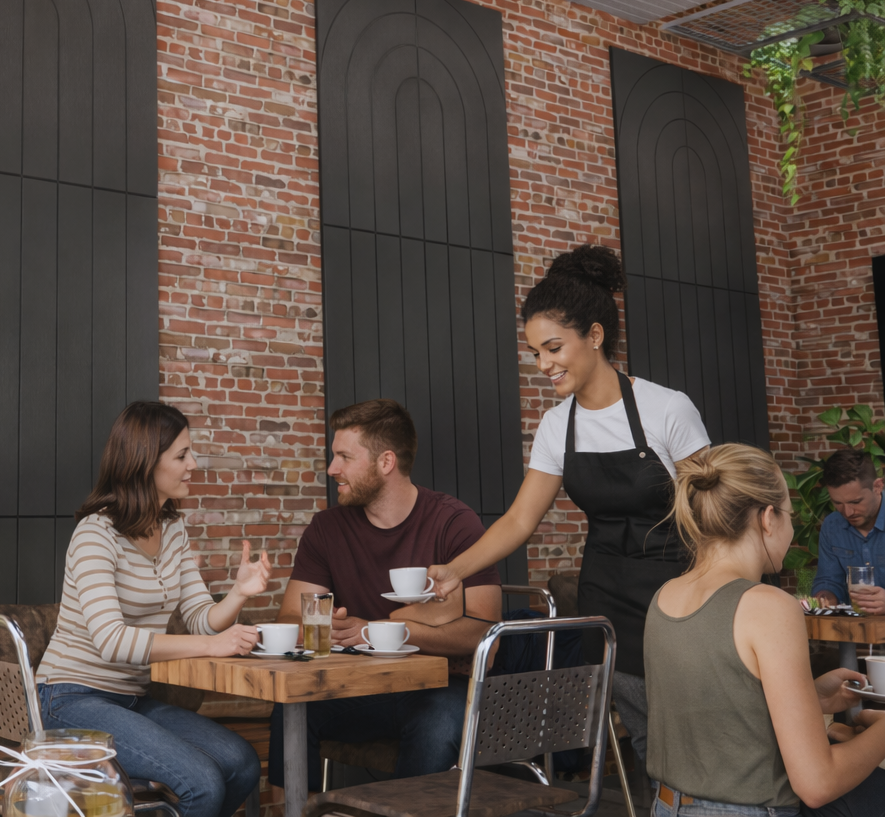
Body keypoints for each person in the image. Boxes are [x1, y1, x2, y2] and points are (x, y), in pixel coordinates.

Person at [427, 243, 710, 765]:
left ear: (594, 336)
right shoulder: (558, 426)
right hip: (608, 601)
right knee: (647, 740)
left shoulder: (667, 409)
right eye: (536, 352)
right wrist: (454, 571)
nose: (543, 365)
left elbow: (715, 513)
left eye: (553, 348)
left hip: (681, 594)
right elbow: (519, 519)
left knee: (695, 732)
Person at [36, 401, 268, 817]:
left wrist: (238, 593)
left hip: (130, 699)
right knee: (202, 782)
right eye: (182, 455)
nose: (193, 464)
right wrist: (211, 647)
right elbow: (111, 641)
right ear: (145, 462)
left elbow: (201, 618)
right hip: (69, 698)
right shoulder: (95, 534)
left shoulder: (173, 528)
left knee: (242, 764)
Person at [268, 398, 502, 784]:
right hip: (361, 688)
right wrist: (325, 627)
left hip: (440, 687)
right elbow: (292, 616)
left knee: (438, 723)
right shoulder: (326, 529)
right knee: (291, 708)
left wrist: (375, 632)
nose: (332, 469)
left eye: (344, 457)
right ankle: (295, 810)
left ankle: (410, 811)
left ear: (386, 462)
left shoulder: (454, 523)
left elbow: (485, 633)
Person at [644, 443, 885, 817]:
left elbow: (716, 709)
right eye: (790, 515)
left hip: (666, 805)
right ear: (769, 518)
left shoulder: (664, 595)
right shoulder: (769, 606)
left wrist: (809, 697)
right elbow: (818, 784)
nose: (791, 528)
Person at [812, 449, 885, 615]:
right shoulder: (832, 526)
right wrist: (825, 598)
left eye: (855, 502)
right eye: (838, 503)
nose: (848, 512)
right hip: (853, 628)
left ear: (878, 486)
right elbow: (829, 580)